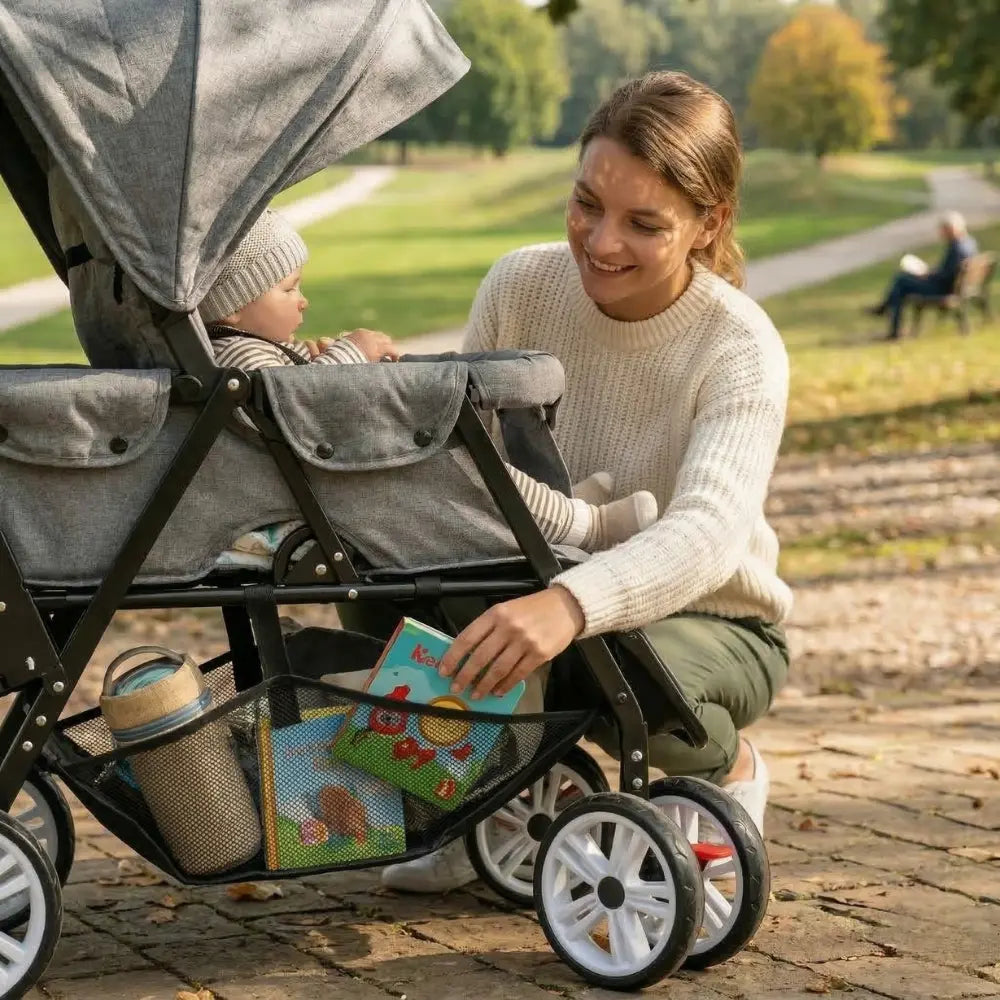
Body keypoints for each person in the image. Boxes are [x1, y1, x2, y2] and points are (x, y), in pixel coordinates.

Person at [380, 70, 793, 893]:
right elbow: (471, 469)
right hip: (542, 576)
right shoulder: (520, 286)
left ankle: (728, 766)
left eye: (643, 223)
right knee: (396, 597)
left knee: (621, 667)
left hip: (714, 621)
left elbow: (707, 534)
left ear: (708, 224)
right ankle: (476, 805)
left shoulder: (738, 346)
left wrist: (568, 606)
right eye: (586, 205)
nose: (601, 243)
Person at [198, 209, 659, 563]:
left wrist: (318, 361)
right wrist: (351, 353)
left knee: (461, 467)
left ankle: (560, 508)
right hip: (321, 493)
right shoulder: (238, 355)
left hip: (323, 480)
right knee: (455, 466)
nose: (304, 301)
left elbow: (288, 398)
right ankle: (589, 525)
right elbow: (298, 408)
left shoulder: (247, 351)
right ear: (234, 308)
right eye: (288, 289)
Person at [868, 211, 979, 340]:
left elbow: (945, 276)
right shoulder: (969, 242)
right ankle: (885, 309)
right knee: (902, 279)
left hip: (945, 289)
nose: (941, 234)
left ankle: (891, 324)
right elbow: (950, 271)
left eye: (943, 230)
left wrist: (927, 275)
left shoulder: (957, 248)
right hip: (955, 286)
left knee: (901, 282)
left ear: (951, 229)